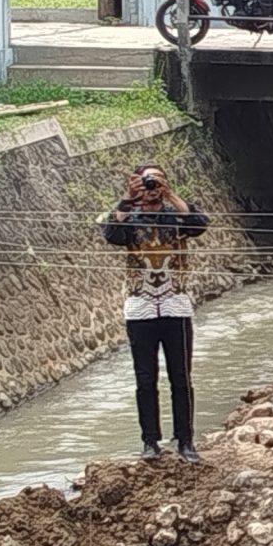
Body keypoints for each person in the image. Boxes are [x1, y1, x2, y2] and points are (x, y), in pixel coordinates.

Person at [100, 164, 209, 463]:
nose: (151, 187)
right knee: (145, 379)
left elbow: (200, 224)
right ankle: (150, 442)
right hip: (140, 307)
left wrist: (170, 194)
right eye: (146, 181)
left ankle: (185, 441)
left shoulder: (177, 215)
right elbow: (112, 234)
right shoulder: (130, 216)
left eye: (156, 181)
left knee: (181, 377)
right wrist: (127, 197)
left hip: (176, 304)